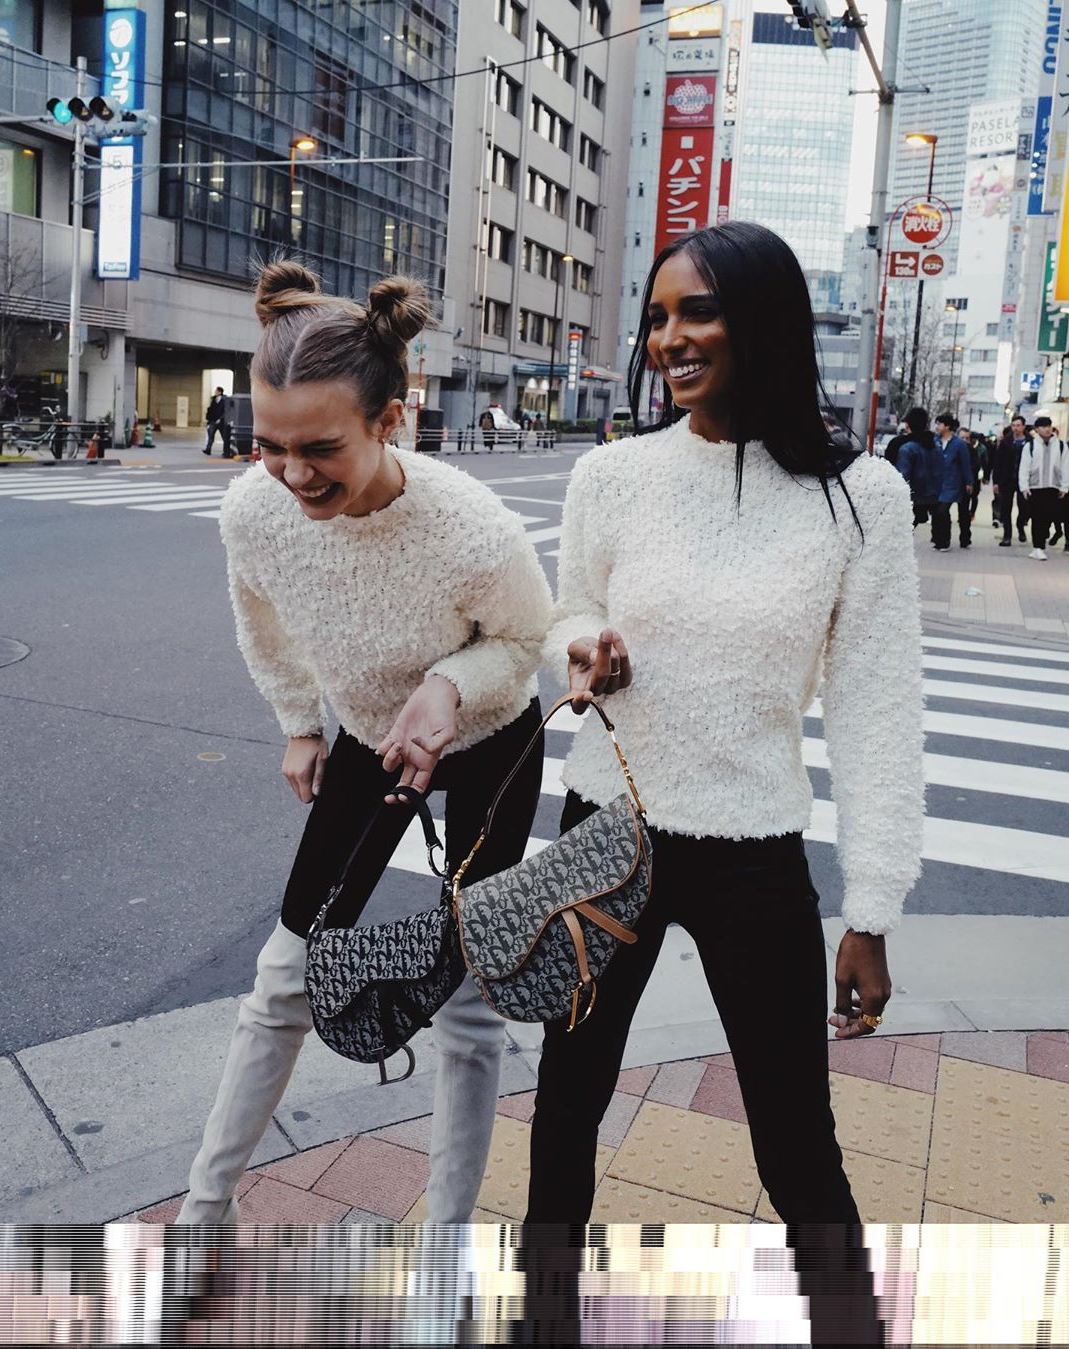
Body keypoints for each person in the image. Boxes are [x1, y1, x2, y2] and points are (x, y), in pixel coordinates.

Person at [525, 222, 924, 1229]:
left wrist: (872, 910)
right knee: (565, 1110)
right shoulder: (612, 476)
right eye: (657, 317)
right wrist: (585, 647)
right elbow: (569, 610)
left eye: (697, 312)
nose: (669, 339)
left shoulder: (860, 498)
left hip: (753, 849)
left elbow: (878, 712)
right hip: (606, 834)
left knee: (797, 1145)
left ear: (764, 320)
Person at [176, 261, 553, 1224]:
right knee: (284, 975)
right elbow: (261, 620)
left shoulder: (472, 529)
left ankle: (445, 1240)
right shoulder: (254, 512)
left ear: (391, 419)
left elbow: (524, 639)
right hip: (369, 739)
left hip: (493, 743)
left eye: (321, 448)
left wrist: (450, 685)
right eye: (269, 445)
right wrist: (301, 722)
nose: (294, 474)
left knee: (467, 999)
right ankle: (203, 1214)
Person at [1018, 414, 1068, 560]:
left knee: (1049, 517)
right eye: (1043, 427)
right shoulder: (1031, 446)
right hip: (1035, 487)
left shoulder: (1061, 446)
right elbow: (1024, 467)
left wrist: (1064, 486)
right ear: (1037, 429)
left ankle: (1040, 545)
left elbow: (1066, 467)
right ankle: (1038, 547)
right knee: (1037, 518)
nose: (1047, 429)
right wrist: (1024, 486)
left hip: (1053, 487)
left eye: (1048, 426)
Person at [932, 412, 974, 550]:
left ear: (947, 426)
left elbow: (966, 464)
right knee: (937, 512)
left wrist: (969, 482)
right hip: (937, 482)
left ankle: (945, 541)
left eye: (940, 424)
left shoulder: (959, 444)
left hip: (952, 482)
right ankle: (938, 539)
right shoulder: (935, 441)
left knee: (943, 510)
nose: (937, 426)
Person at [895, 406, 942, 528]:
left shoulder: (907, 449)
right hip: (932, 497)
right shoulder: (936, 447)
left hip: (913, 498)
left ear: (908, 425)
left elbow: (903, 478)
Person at [992, 417, 1030, 545]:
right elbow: (998, 462)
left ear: (1023, 426)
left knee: (1024, 506)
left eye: (1018, 425)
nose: (1016, 428)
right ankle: (1007, 535)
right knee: (1005, 507)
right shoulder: (1006, 442)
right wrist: (996, 481)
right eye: (1014, 425)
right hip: (1007, 479)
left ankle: (1020, 525)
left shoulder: (1030, 442)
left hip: (1024, 479)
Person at [204, 386, 231, 457]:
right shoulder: (213, 399)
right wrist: (209, 420)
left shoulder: (224, 400)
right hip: (213, 421)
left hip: (221, 422)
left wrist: (220, 419)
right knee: (211, 436)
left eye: (216, 391)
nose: (215, 392)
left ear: (220, 392)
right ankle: (208, 449)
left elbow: (225, 411)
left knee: (224, 437)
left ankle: (226, 451)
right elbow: (211, 410)